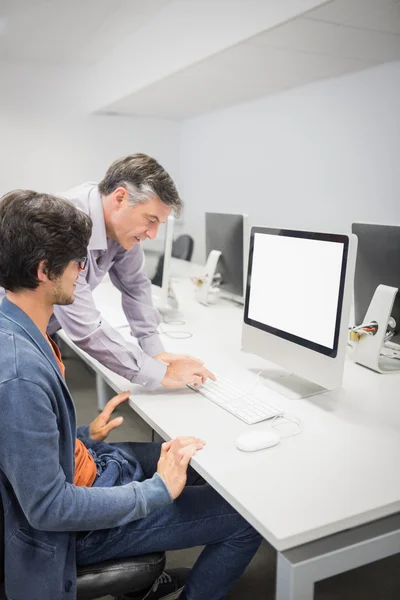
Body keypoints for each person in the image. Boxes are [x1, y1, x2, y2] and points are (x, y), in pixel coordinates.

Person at [0, 190, 262, 600]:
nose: (83, 273)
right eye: (77, 264)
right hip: (74, 527)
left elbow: (21, 449)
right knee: (247, 517)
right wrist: (155, 491)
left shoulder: (26, 327)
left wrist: (82, 434)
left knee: (209, 468)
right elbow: (48, 508)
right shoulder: (19, 374)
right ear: (43, 271)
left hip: (90, 466)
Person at [0, 153, 214, 391]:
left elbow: (136, 285)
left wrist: (155, 352)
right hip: (11, 332)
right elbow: (85, 327)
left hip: (39, 331)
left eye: (159, 225)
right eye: (151, 220)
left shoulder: (123, 228)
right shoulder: (67, 223)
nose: (153, 234)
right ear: (120, 197)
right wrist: (160, 373)